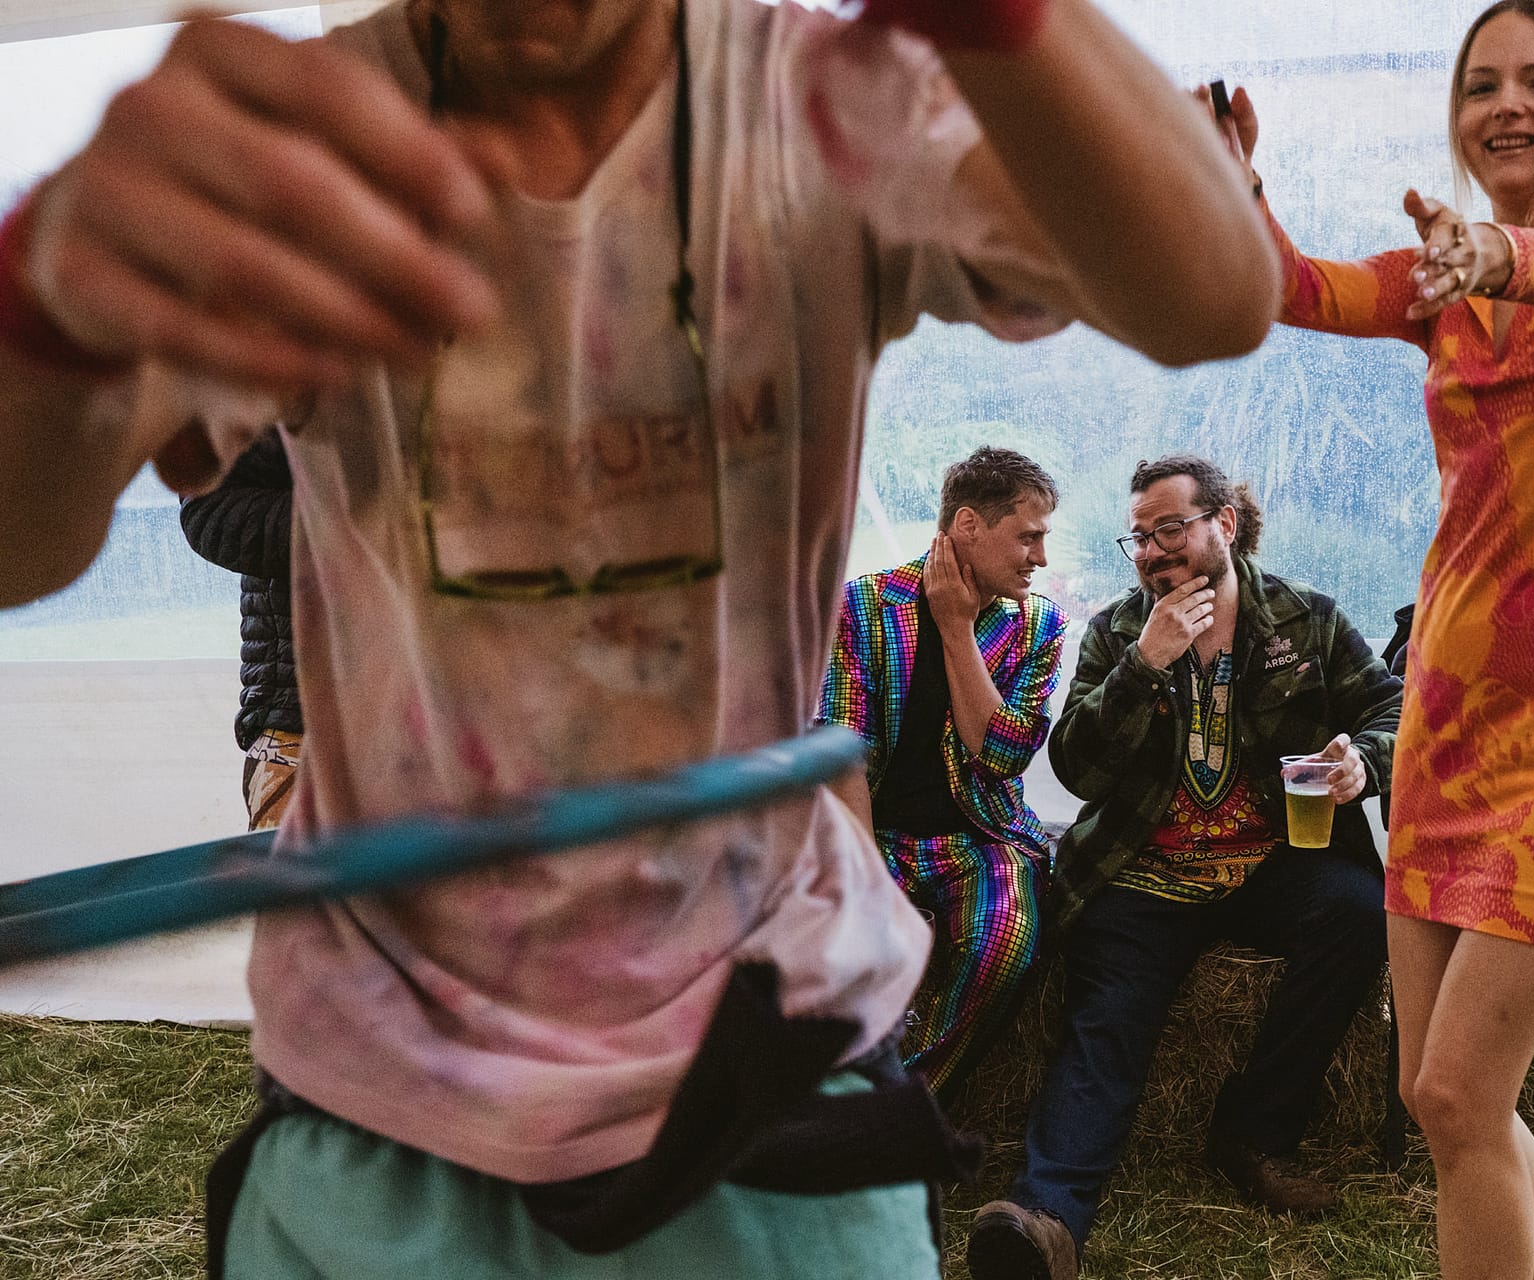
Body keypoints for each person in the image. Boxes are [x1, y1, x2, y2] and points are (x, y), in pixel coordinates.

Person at [0, 0, 1282, 1274]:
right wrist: (53, 309)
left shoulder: (819, 101)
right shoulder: (302, 142)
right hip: (387, 1079)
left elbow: (1215, 295)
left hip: (762, 1059)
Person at [1220, 2, 1534, 1276]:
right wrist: (1237, 188)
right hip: (1446, 721)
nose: (1507, 105)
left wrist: (1498, 252)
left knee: (1456, 1095)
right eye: (1482, 82)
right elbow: (1297, 287)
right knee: (1450, 1099)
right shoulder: (1438, 286)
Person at [968, 453, 1401, 1280]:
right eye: (1138, 538)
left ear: (1224, 525)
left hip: (1273, 859)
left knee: (1359, 911)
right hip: (1146, 870)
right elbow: (1078, 771)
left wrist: (1364, 761)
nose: (1153, 552)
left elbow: (1395, 702)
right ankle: (1045, 1218)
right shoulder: (1120, 633)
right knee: (1111, 1022)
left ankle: (1255, 1135)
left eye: (1170, 529)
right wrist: (1145, 665)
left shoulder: (1304, 621)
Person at [819, 445, 1064, 1098]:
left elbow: (1005, 755)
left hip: (983, 839)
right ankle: (834, 1098)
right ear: (968, 526)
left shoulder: (1039, 626)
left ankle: (914, 1106)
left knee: (1008, 946)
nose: (1041, 558)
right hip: (880, 835)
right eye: (1030, 537)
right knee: (829, 948)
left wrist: (956, 628)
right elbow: (845, 750)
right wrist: (865, 881)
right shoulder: (863, 608)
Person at [180, 428, 302, 832]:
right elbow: (206, 505)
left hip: (444, 711)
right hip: (299, 723)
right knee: (297, 891)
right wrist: (341, 524)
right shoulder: (291, 386)